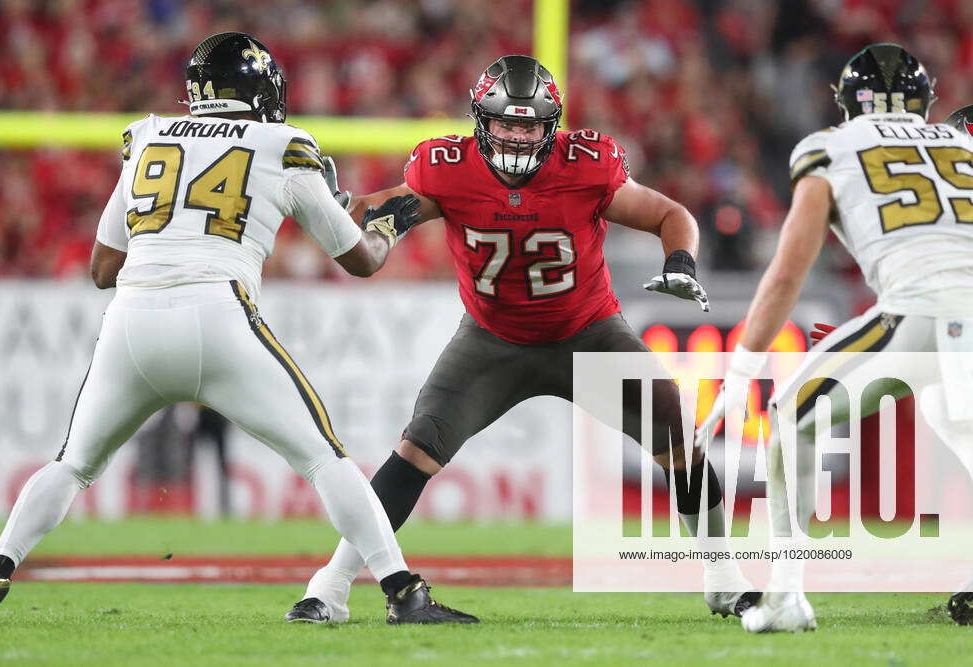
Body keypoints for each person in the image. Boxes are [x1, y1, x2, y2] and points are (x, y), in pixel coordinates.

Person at [0, 32, 477, 627]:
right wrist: (386, 227)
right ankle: (403, 593)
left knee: (72, 465)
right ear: (262, 91)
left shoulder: (147, 136)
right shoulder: (281, 143)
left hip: (131, 321)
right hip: (217, 315)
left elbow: (102, 268)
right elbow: (360, 260)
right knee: (324, 458)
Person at [288, 54, 758, 624]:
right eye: (506, 123)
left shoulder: (587, 165)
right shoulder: (446, 167)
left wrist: (681, 261)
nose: (516, 136)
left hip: (588, 332)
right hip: (492, 339)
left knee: (677, 432)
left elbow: (670, 214)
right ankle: (328, 588)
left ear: (551, 126)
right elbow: (389, 209)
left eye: (529, 124)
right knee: (416, 450)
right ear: (480, 121)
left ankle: (723, 577)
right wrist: (342, 210)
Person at [697, 43, 973, 632]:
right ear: (926, 101)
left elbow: (788, 273)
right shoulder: (964, 142)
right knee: (953, 416)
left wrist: (740, 372)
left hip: (921, 312)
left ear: (847, 102)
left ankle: (786, 594)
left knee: (793, 410)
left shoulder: (830, 146)